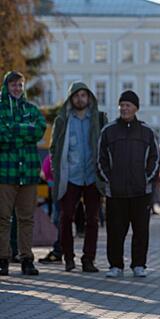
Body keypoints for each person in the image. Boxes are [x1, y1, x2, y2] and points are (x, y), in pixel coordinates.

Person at [98, 90, 160, 278]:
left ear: (136, 108)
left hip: (141, 191)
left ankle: (139, 265)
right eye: (122, 105)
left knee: (141, 231)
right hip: (115, 192)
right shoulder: (108, 131)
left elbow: (155, 159)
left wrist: (146, 178)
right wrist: (109, 180)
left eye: (128, 105)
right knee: (115, 231)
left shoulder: (147, 131)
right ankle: (115, 266)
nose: (124, 108)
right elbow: (100, 159)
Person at [48, 82, 107, 272]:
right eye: (76, 95)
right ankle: (68, 257)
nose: (80, 99)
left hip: (92, 176)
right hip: (70, 176)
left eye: (83, 95)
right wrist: (57, 171)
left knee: (93, 219)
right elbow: (54, 148)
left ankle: (88, 259)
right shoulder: (63, 121)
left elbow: (105, 146)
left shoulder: (99, 119)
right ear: (71, 98)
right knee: (65, 218)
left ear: (89, 97)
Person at [0, 71, 46, 276]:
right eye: (13, 85)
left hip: (28, 171)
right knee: (3, 218)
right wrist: (23, 132)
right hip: (5, 172)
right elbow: (2, 135)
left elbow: (39, 130)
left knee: (26, 218)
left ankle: (26, 258)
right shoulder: (1, 109)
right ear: (6, 87)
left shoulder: (31, 109)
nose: (17, 88)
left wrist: (13, 130)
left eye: (20, 85)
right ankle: (3, 258)